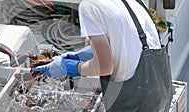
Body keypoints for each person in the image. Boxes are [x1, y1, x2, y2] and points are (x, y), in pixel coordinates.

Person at [32, 0, 172, 112]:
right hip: (160, 92)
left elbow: (105, 67)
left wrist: (73, 68)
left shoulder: (89, 7)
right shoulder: (132, 2)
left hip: (134, 101)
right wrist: (79, 56)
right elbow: (127, 44)